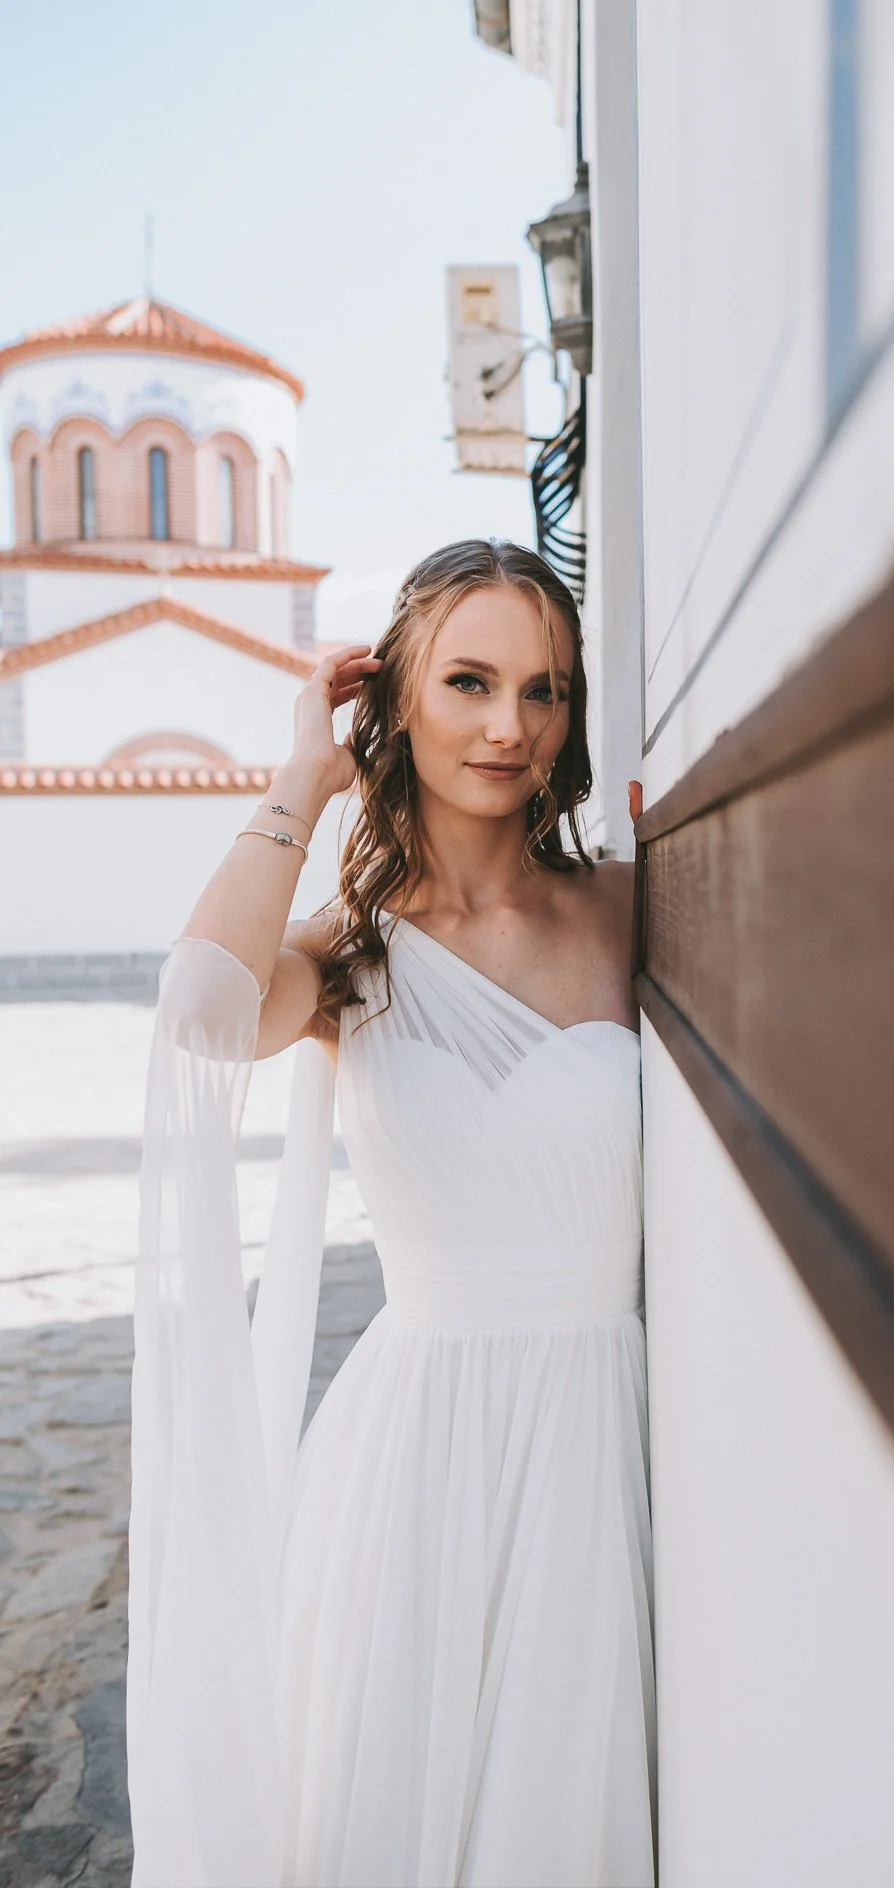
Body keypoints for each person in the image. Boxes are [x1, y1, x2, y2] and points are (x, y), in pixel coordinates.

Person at [126, 540, 655, 1888]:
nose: (508, 726)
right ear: (395, 701)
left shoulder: (625, 910)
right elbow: (201, 1015)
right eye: (468, 681)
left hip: (608, 1436)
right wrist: (300, 779)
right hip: (416, 1457)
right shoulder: (350, 952)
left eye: (545, 691)